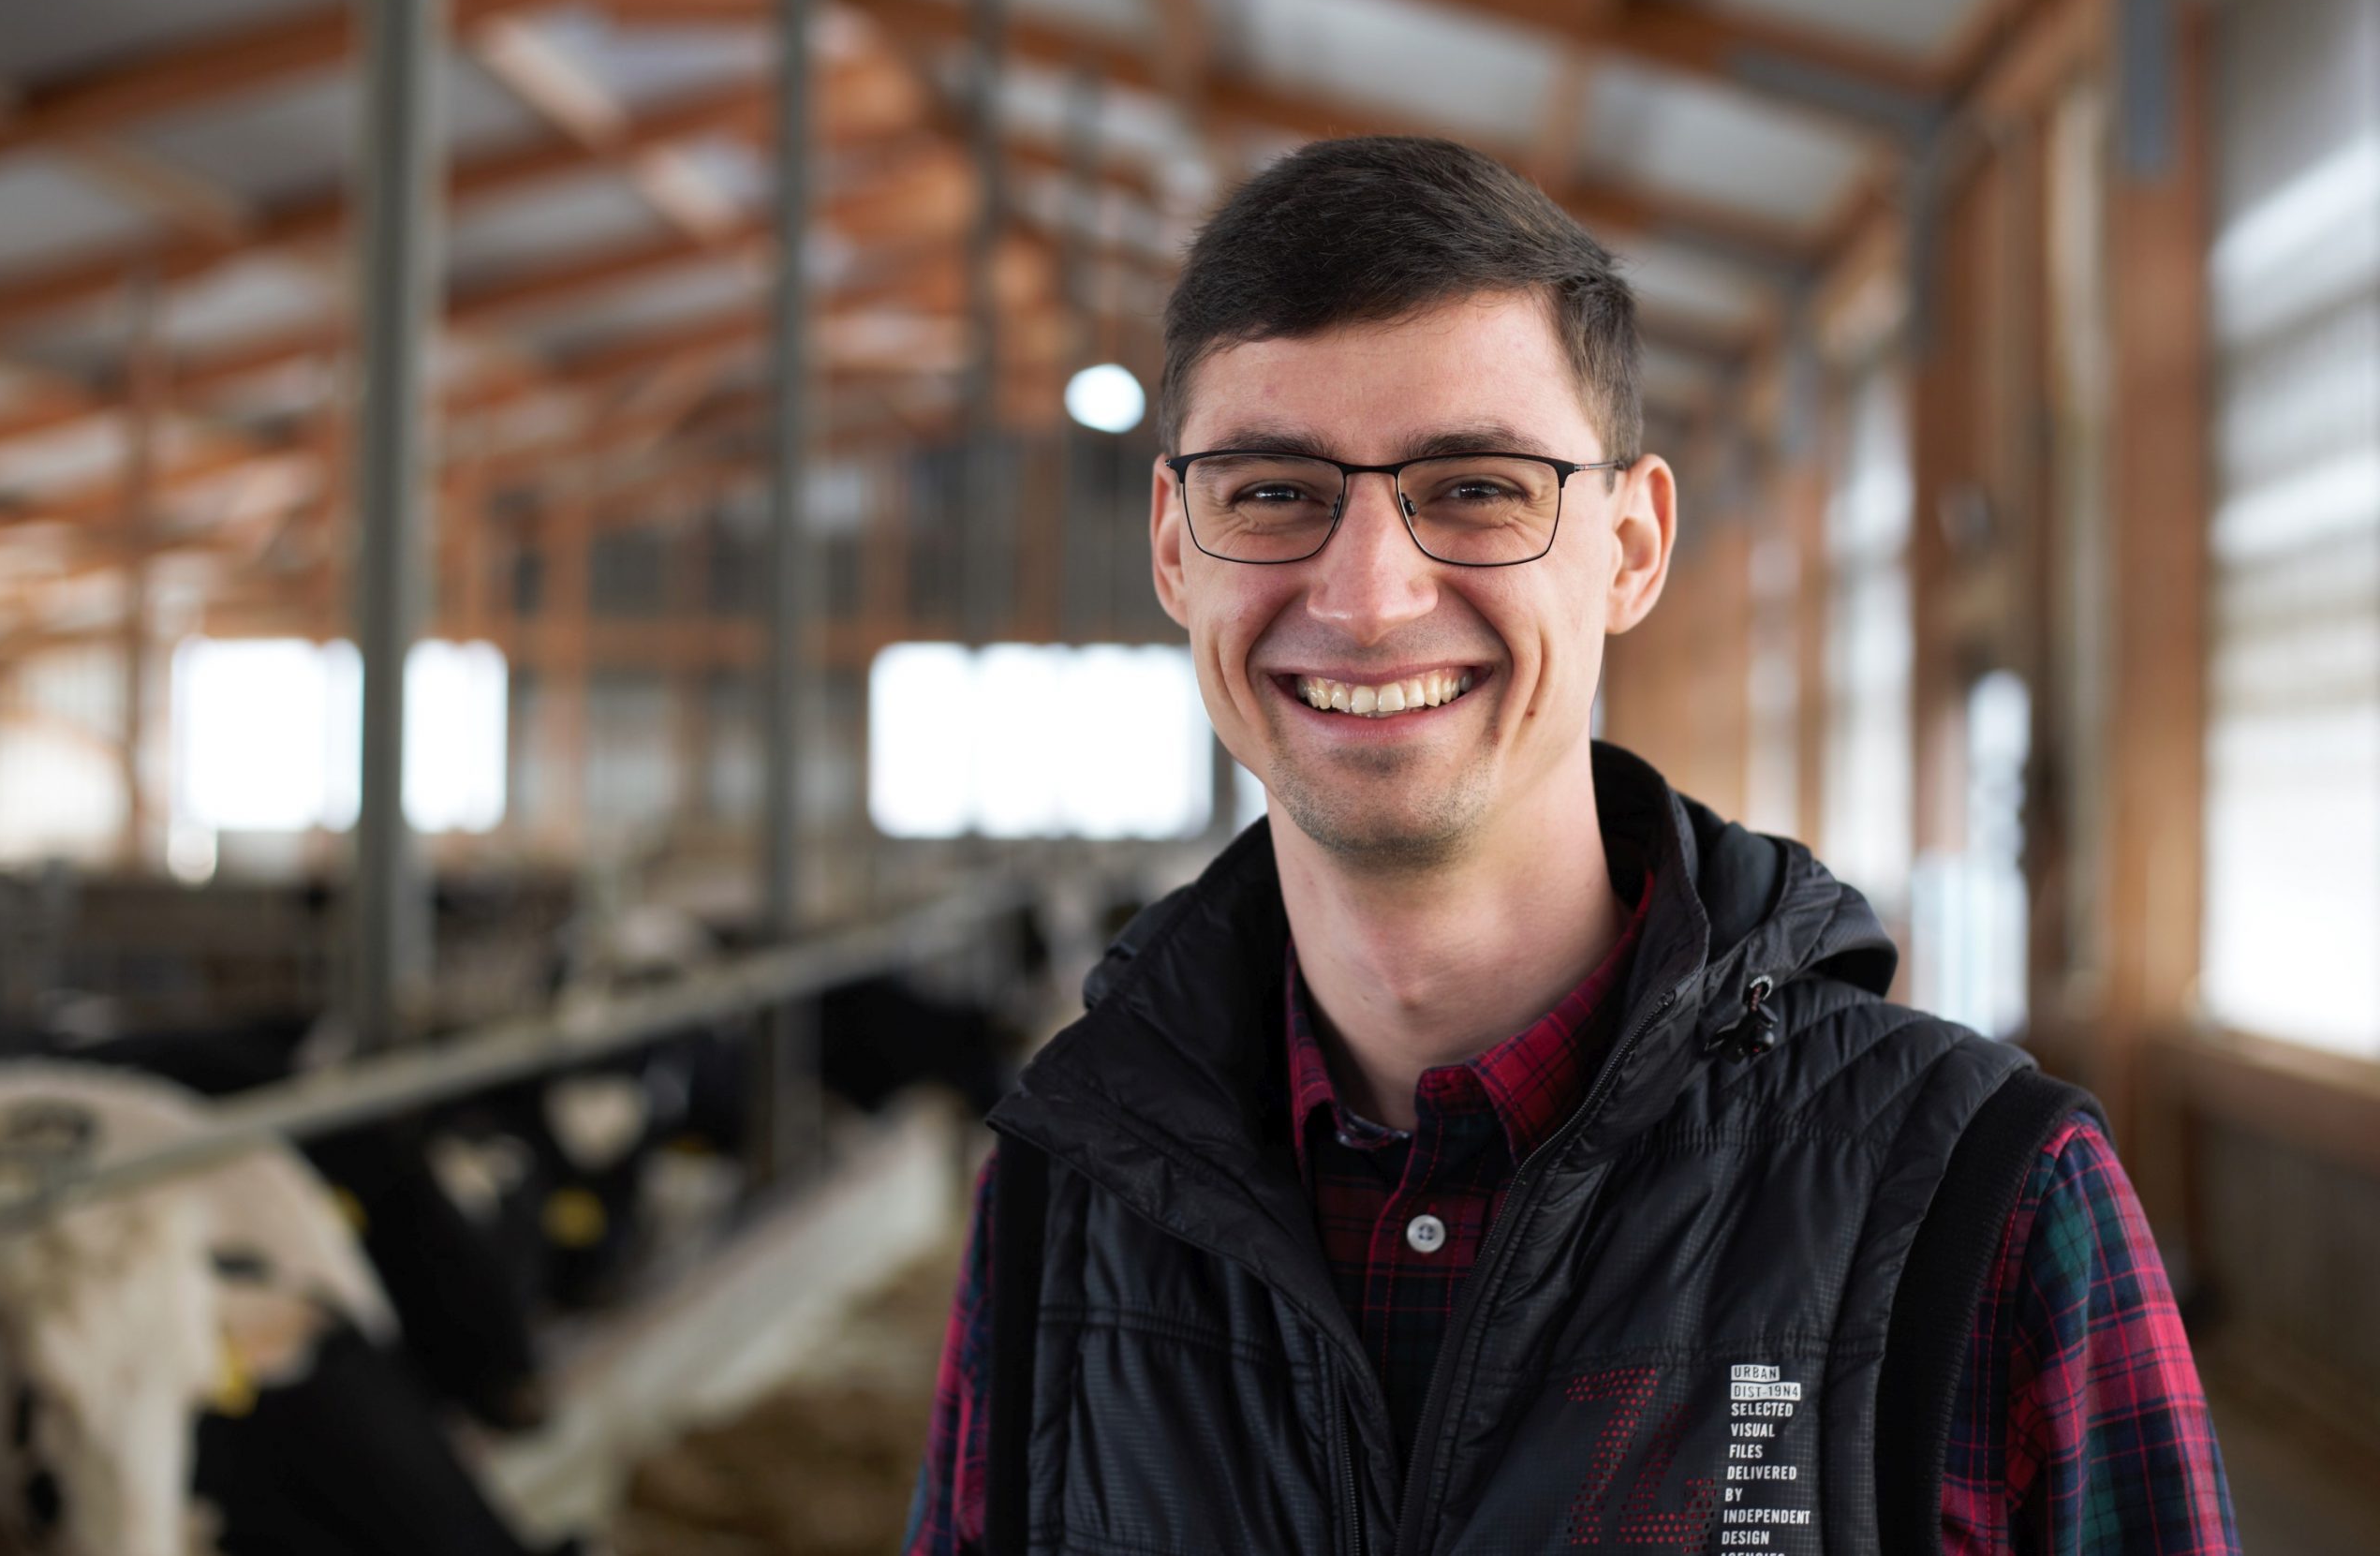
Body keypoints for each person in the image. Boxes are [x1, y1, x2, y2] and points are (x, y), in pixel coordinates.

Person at [904, 137, 2237, 1556]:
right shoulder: (1065, 1201)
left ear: (1631, 544)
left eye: (1477, 486)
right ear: (1176, 548)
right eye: (1273, 489)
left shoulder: (1991, 1205)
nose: (1364, 598)